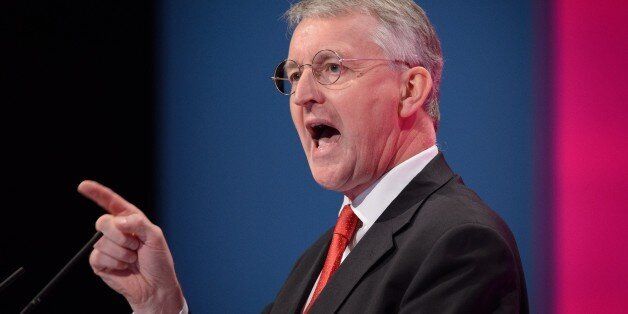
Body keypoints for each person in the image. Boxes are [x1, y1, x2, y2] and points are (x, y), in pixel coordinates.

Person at [82, 0, 528, 313]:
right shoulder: (324, 255)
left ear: (410, 89)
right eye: (294, 75)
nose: (302, 96)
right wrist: (161, 307)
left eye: (331, 68)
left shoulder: (461, 243)